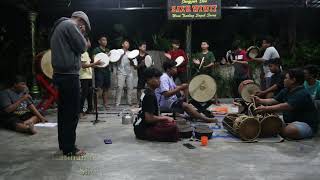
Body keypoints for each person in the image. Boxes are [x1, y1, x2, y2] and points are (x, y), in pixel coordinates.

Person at [51, 11, 90, 156]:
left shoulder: (59, 26)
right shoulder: (70, 25)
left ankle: (64, 144)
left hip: (60, 74)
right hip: (69, 75)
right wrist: (82, 36)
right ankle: (70, 148)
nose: (83, 29)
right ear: (80, 20)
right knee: (72, 113)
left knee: (63, 112)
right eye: (84, 26)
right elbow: (82, 47)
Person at [254, 69, 318, 140]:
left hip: (305, 124)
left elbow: (286, 106)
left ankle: (279, 129)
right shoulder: (286, 90)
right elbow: (274, 100)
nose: (284, 80)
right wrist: (259, 100)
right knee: (269, 122)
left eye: (286, 78)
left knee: (289, 131)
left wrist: (266, 109)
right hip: (289, 121)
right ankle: (279, 128)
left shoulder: (302, 93)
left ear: (293, 80)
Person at [133, 67, 178, 142]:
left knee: (170, 122)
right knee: (173, 127)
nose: (159, 81)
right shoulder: (149, 95)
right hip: (143, 130)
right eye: (157, 78)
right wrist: (165, 118)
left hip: (140, 127)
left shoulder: (147, 91)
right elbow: (149, 119)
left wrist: (164, 118)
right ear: (148, 80)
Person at [80, 37, 101, 117]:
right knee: (84, 94)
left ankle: (89, 109)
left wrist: (97, 65)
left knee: (89, 94)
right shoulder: (82, 52)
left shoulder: (86, 53)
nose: (89, 42)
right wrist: (95, 64)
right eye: (88, 41)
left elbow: (89, 65)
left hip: (88, 76)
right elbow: (83, 65)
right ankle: (80, 111)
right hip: (83, 77)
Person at [92, 35, 111, 109]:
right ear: (99, 41)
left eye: (106, 40)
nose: (105, 41)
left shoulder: (108, 50)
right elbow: (94, 61)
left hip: (107, 71)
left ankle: (105, 104)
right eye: (103, 40)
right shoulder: (96, 50)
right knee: (98, 89)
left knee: (106, 88)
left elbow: (110, 61)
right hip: (99, 71)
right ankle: (95, 105)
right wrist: (105, 56)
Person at [115, 39, 134, 107]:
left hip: (129, 72)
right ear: (122, 44)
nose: (128, 44)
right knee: (119, 87)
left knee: (130, 87)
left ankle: (129, 102)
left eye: (128, 43)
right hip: (121, 72)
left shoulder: (131, 53)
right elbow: (115, 60)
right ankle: (117, 103)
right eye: (126, 43)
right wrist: (122, 55)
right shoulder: (118, 51)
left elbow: (133, 64)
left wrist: (131, 60)